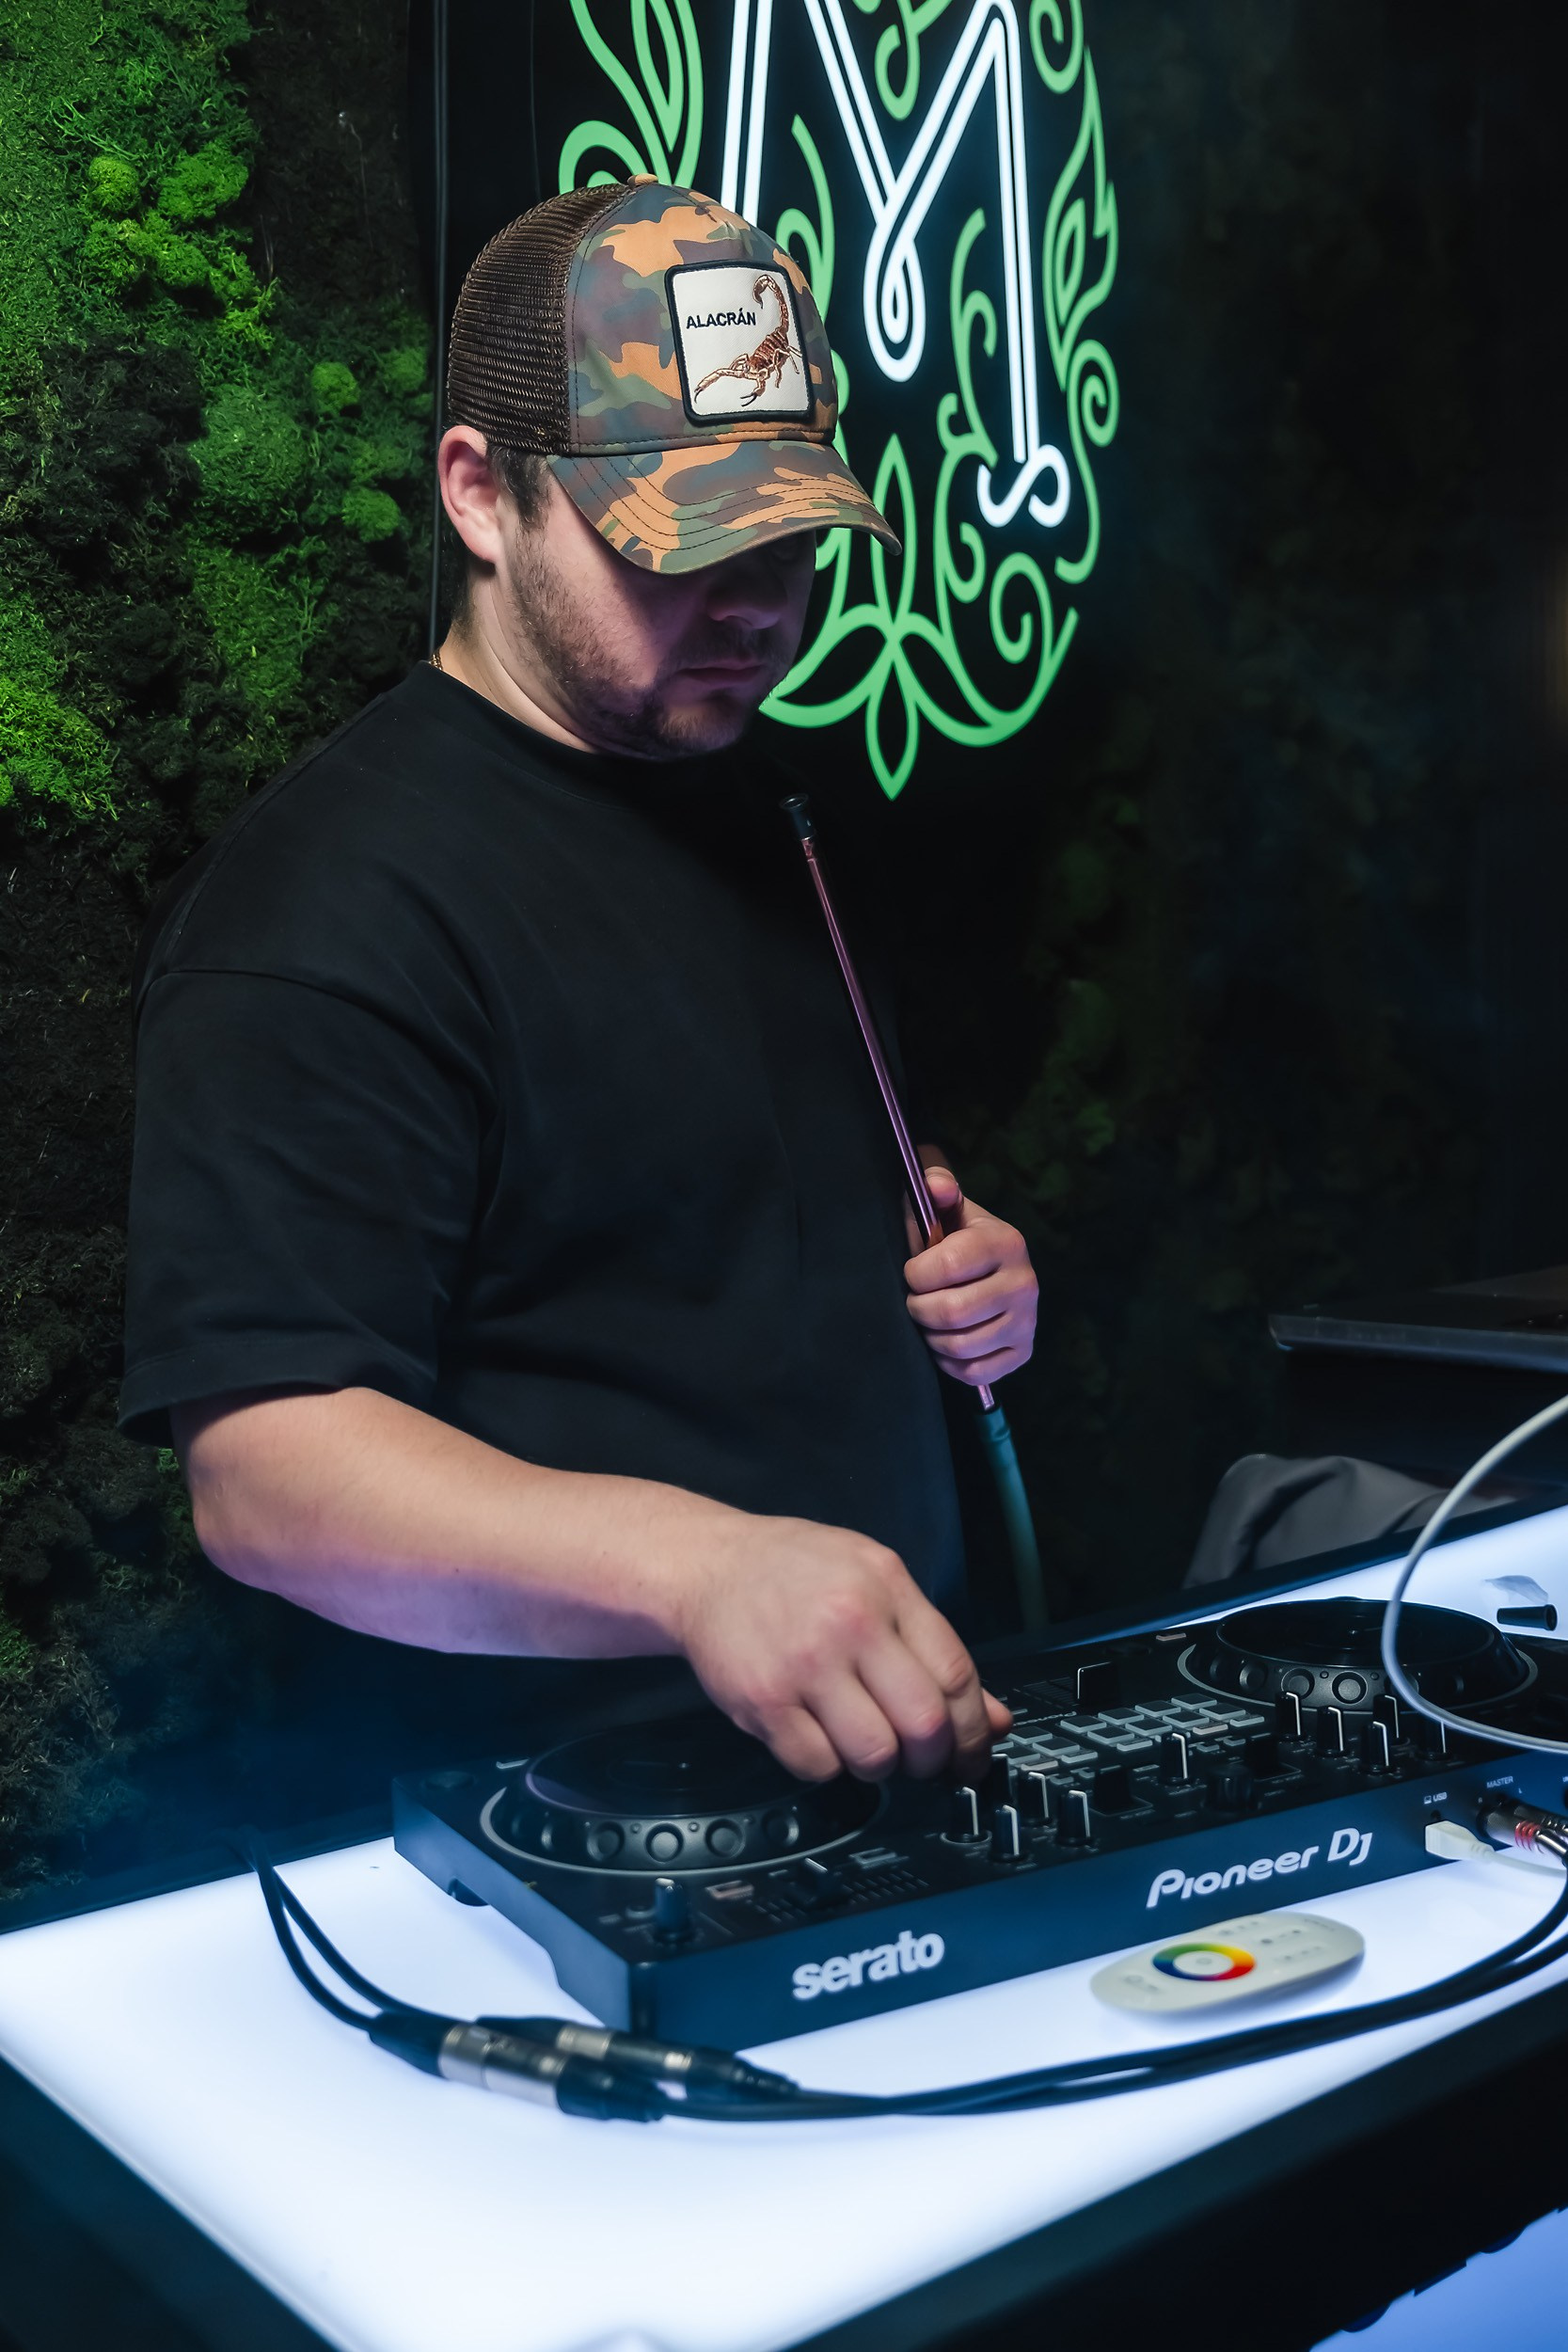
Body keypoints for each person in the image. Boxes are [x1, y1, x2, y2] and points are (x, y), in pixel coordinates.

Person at [119, 179, 1038, 1787]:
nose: (753, 602)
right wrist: (700, 1570)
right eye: (679, 540)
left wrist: (967, 1284)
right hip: (548, 1822)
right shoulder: (331, 906)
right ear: (483, 496)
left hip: (894, 1764)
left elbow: (705, 1233)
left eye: (786, 534)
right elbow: (264, 1475)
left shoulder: (782, 811)